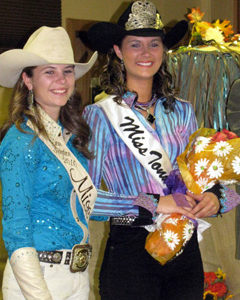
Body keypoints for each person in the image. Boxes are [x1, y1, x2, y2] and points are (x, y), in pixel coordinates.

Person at [84, 1, 240, 299]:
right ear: (118, 51)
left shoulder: (183, 112)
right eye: (135, 44)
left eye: (154, 44)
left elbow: (218, 186)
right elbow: (85, 199)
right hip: (130, 251)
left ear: (164, 50)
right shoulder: (100, 115)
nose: (146, 53)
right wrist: (154, 203)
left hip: (185, 246)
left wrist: (216, 199)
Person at [0, 26, 98, 300]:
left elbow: (91, 206)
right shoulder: (20, 140)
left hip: (78, 276)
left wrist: (150, 205)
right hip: (37, 277)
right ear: (28, 80)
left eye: (67, 71)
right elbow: (16, 230)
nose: (62, 80)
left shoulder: (72, 139)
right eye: (49, 72)